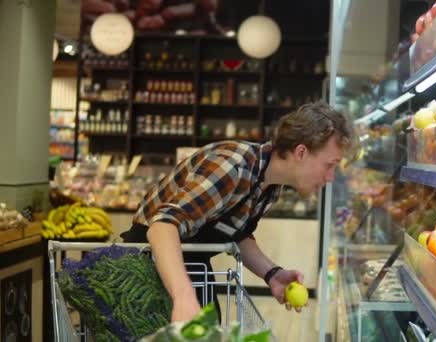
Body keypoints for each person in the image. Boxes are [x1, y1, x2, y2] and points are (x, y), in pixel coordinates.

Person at [121, 101, 354, 322]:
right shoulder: (233, 165)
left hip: (191, 269)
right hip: (147, 271)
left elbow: (236, 233)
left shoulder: (270, 186)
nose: (331, 177)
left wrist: (272, 274)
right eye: (330, 164)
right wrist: (183, 296)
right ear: (301, 152)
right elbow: (162, 226)